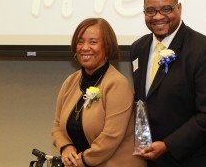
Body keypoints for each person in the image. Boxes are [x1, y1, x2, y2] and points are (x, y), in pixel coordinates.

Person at [130, 0, 206, 167]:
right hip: (155, 160)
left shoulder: (205, 51)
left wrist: (168, 146)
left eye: (166, 9)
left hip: (199, 159)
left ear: (179, 8)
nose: (158, 17)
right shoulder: (138, 48)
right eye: (150, 11)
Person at [52, 18, 146, 167]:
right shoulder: (71, 81)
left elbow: (110, 138)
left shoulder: (117, 84)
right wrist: (65, 147)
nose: (85, 47)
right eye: (80, 42)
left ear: (107, 48)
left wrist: (79, 161)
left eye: (93, 42)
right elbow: (57, 126)